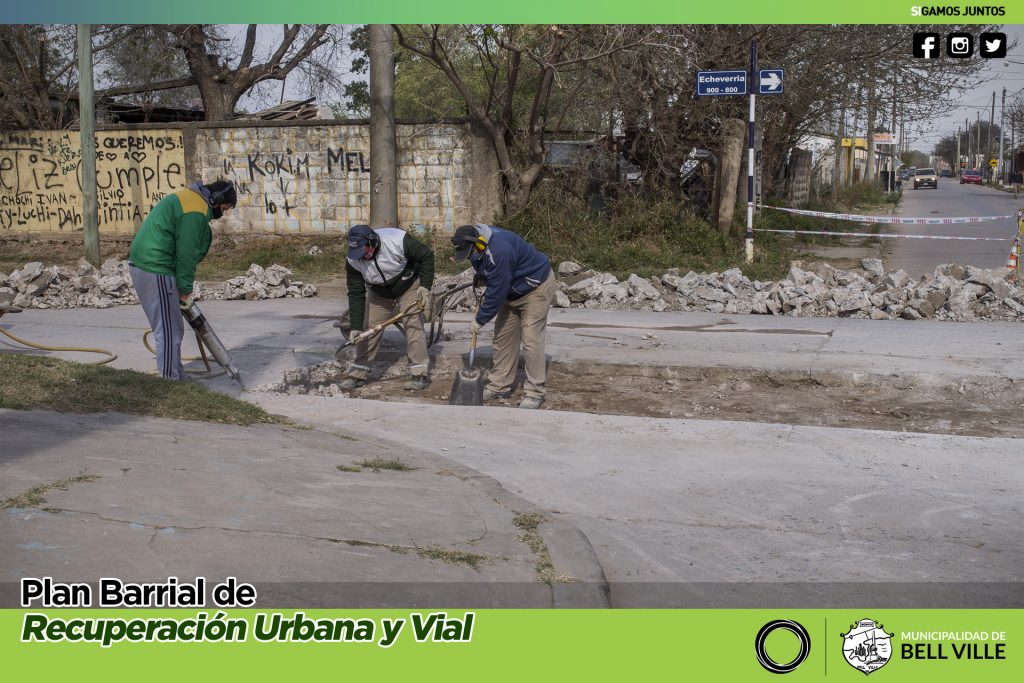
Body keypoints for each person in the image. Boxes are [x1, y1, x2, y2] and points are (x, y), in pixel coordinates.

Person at [128, 180, 236, 380]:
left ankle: (174, 373)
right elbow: (187, 254)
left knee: (172, 327)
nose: (223, 213)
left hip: (150, 264)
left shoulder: (191, 200)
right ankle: (171, 381)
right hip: (156, 266)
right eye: (224, 208)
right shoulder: (195, 212)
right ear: (217, 199)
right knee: (169, 330)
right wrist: (185, 289)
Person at [451, 223, 555, 409]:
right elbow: (489, 271)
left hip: (535, 287)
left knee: (531, 339)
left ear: (478, 243)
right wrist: (482, 274)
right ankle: (499, 385)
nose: (470, 257)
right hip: (511, 290)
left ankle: (534, 392)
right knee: (503, 338)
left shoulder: (500, 250)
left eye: (470, 253)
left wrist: (479, 320)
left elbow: (497, 292)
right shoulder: (478, 246)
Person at [338, 224, 435, 391]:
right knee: (368, 328)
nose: (362, 257)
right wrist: (355, 327)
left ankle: (419, 374)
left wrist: (425, 286)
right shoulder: (353, 260)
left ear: (372, 242)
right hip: (379, 292)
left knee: (413, 323)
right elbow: (355, 293)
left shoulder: (397, 240)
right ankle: (358, 374)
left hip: (409, 285)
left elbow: (426, 256)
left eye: (364, 251)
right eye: (358, 253)